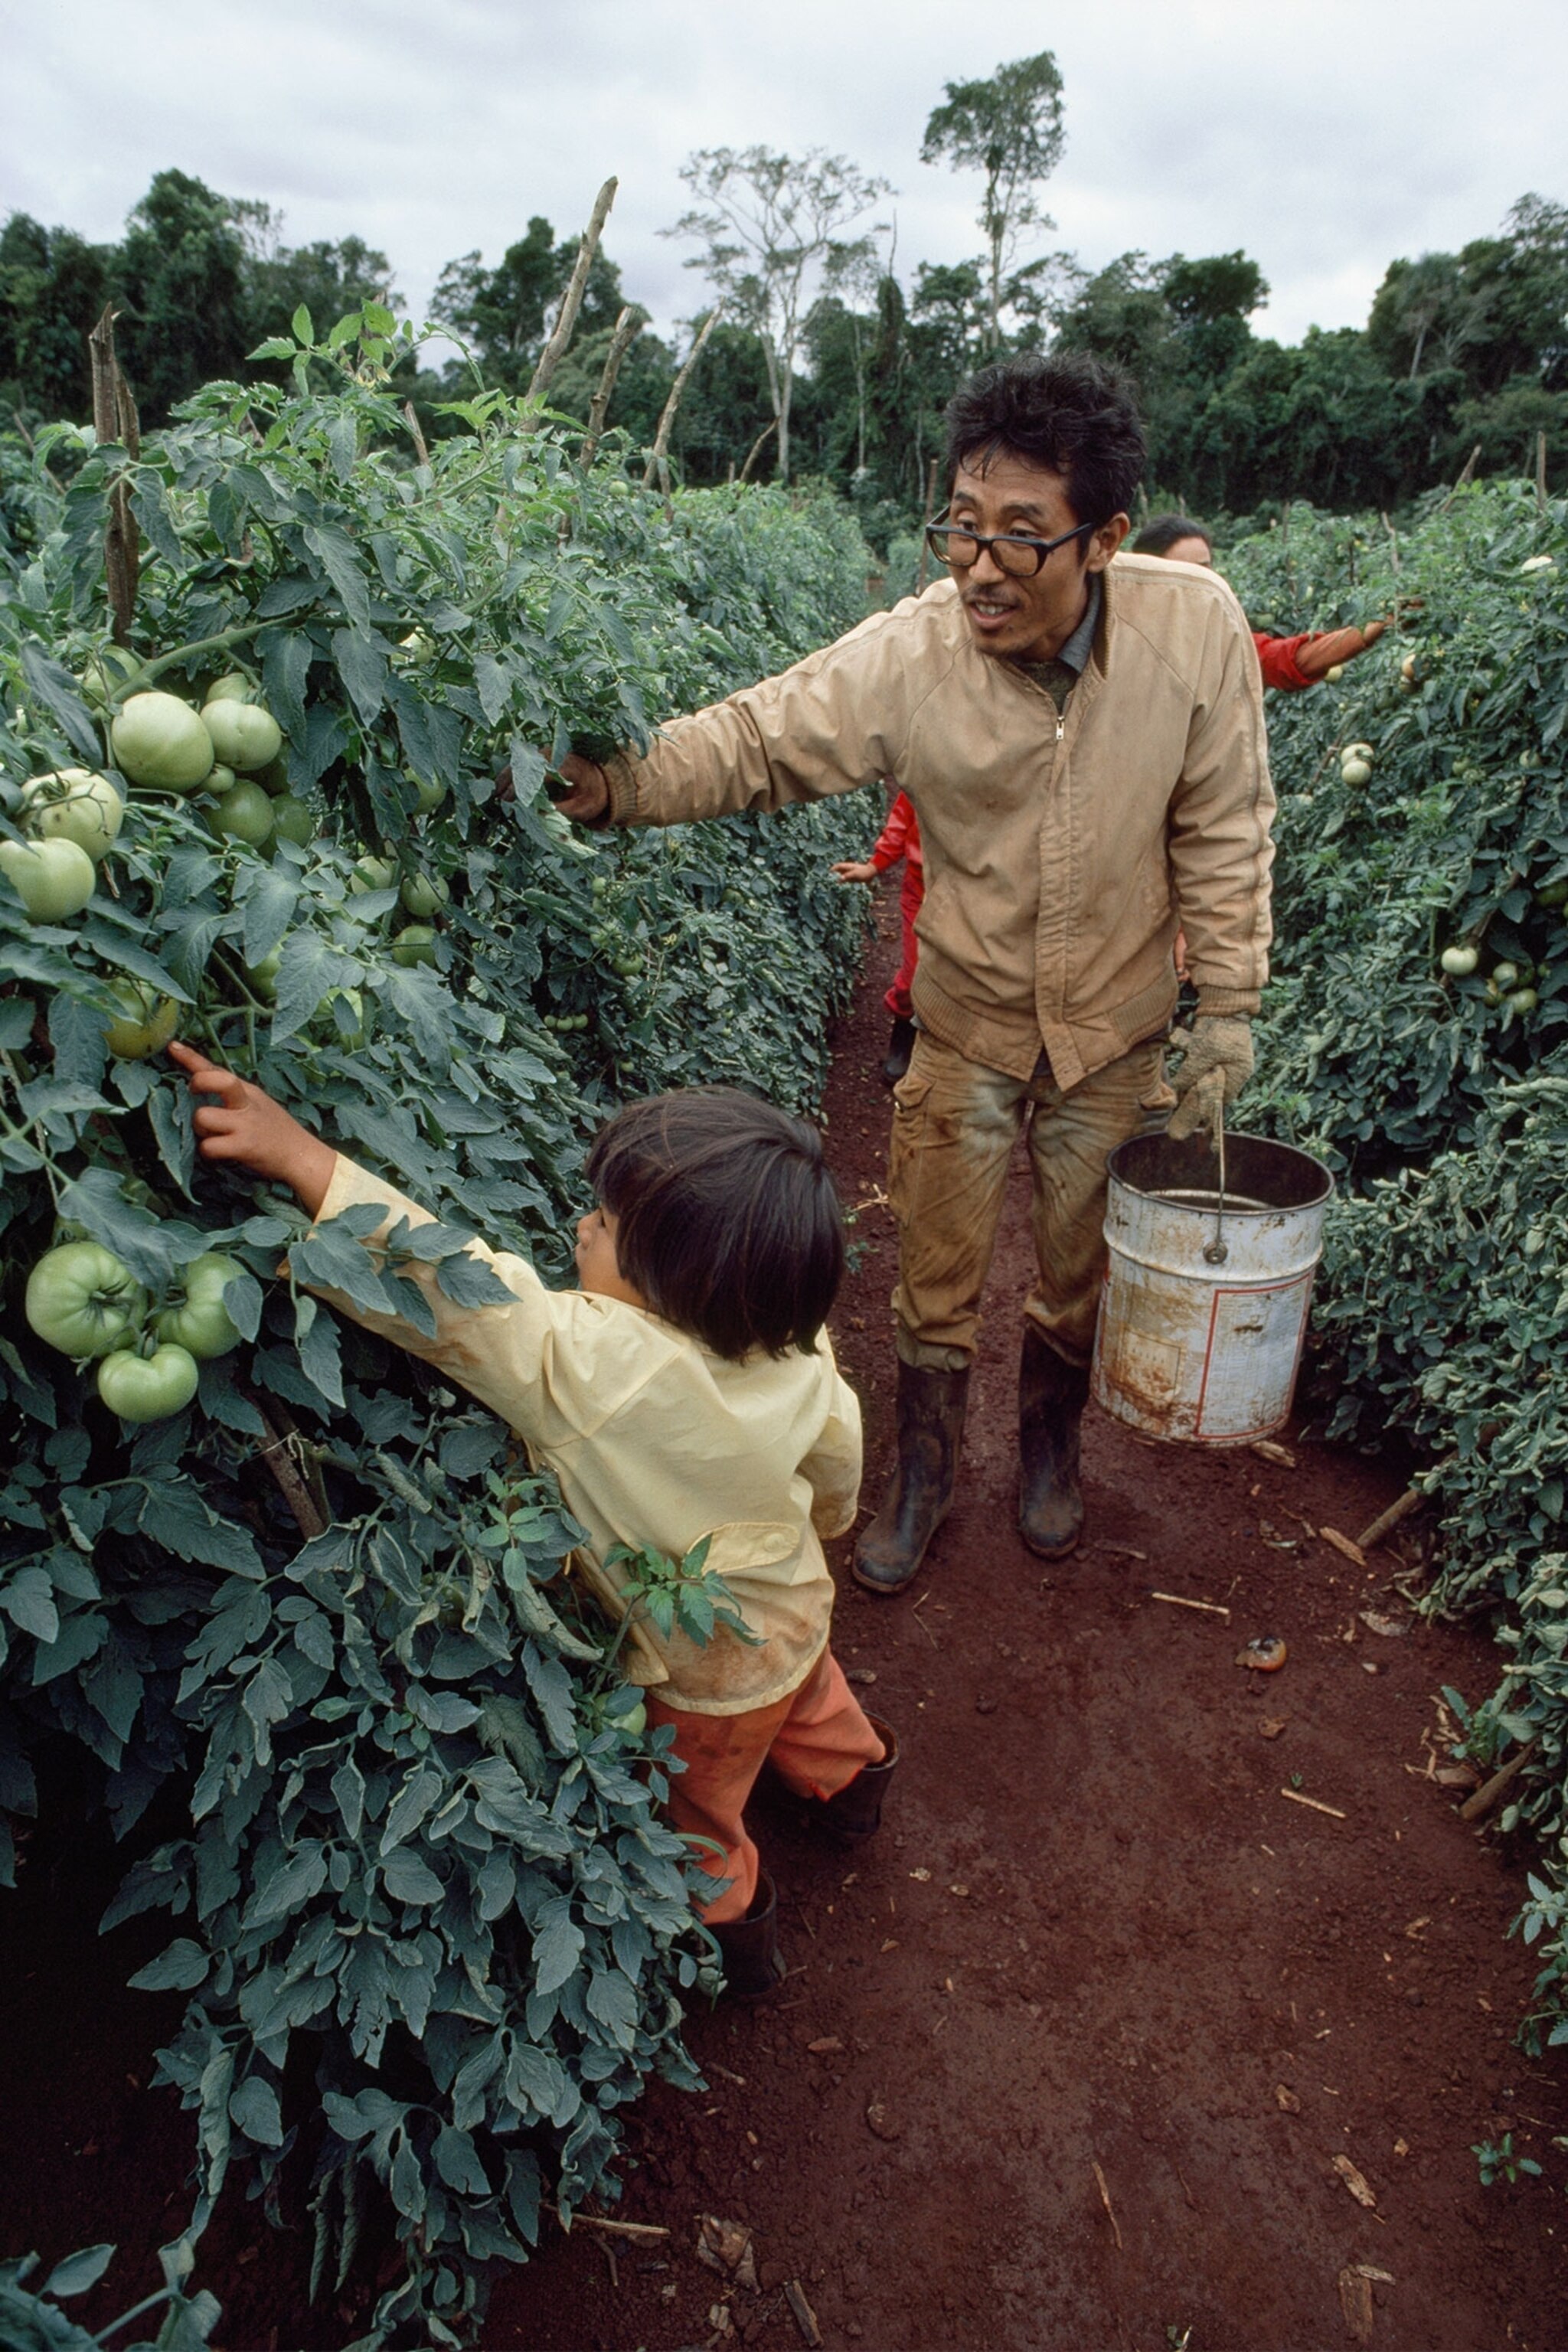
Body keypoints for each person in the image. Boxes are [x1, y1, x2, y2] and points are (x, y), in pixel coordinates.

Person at [550, 352, 1275, 1595]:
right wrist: (612, 783)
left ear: (1101, 536)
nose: (978, 565)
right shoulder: (912, 654)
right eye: (960, 526)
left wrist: (1232, 1003)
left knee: (1074, 1259)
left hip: (1114, 1032)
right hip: (966, 1026)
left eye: (1018, 538)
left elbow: (1223, 818)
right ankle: (923, 1473)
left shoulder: (1190, 631)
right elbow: (760, 736)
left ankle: (1048, 1450)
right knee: (933, 1270)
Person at [166, 1040, 896, 2001]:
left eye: (600, 1222)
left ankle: (732, 1941)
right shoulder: (798, 1348)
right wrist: (830, 1524)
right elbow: (836, 1462)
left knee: (701, 1803)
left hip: (700, 1666)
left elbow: (457, 1291)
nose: (578, 1226)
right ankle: (854, 1794)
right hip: (795, 1604)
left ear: (665, 1285)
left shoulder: (587, 1362)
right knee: (809, 1701)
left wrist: (303, 1158)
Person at [1130, 513, 1393, 690]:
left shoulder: (1218, 643)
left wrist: (1372, 628)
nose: (1204, 582)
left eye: (1206, 570)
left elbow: (1289, 659)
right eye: (1187, 573)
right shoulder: (1118, 642)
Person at [832, 786, 924, 1086]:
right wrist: (875, 865)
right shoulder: (931, 758)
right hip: (921, 889)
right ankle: (902, 1040)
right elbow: (903, 816)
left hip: (975, 892)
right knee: (914, 976)